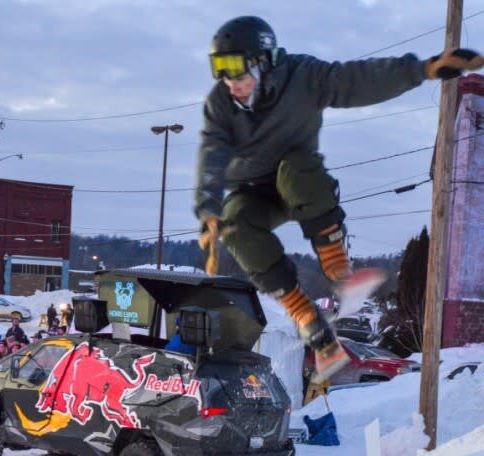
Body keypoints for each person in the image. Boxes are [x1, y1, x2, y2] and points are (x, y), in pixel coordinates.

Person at [195, 15, 484, 381]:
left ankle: (337, 267)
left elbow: (357, 79)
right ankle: (308, 321)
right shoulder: (220, 103)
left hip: (298, 181)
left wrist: (422, 70)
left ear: (262, 60)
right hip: (253, 194)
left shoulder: (303, 76)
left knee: (296, 167)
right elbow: (211, 155)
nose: (230, 82)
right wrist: (207, 210)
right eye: (219, 70)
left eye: (236, 70)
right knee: (233, 221)